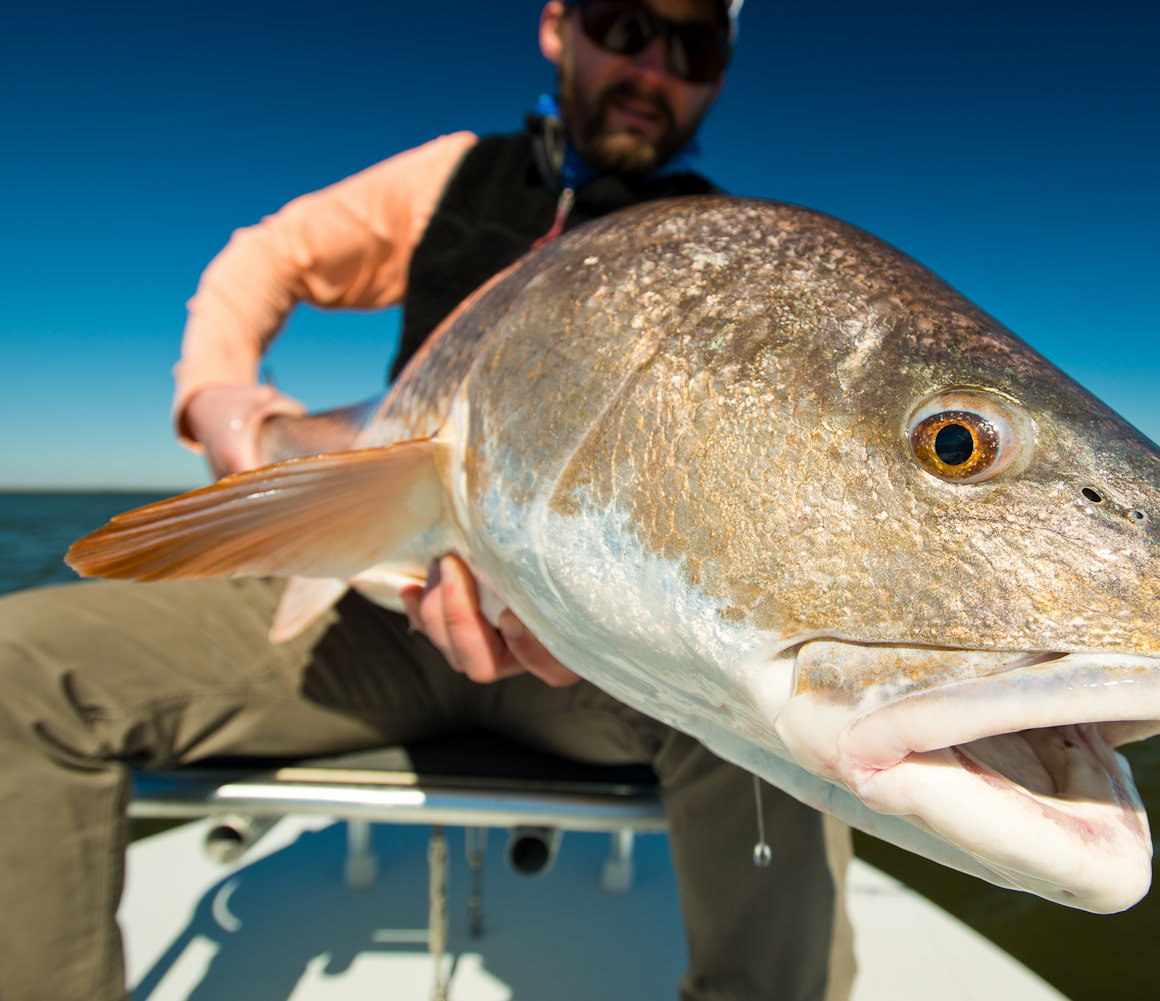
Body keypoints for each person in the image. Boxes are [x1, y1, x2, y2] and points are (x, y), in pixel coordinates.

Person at [0, 3, 856, 999]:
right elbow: (262, 259)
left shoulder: (737, 261)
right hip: (368, 622)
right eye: (623, 22)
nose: (654, 67)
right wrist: (222, 403)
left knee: (790, 731)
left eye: (694, 45)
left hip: (592, 664)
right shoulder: (450, 176)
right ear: (556, 26)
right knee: (23, 670)